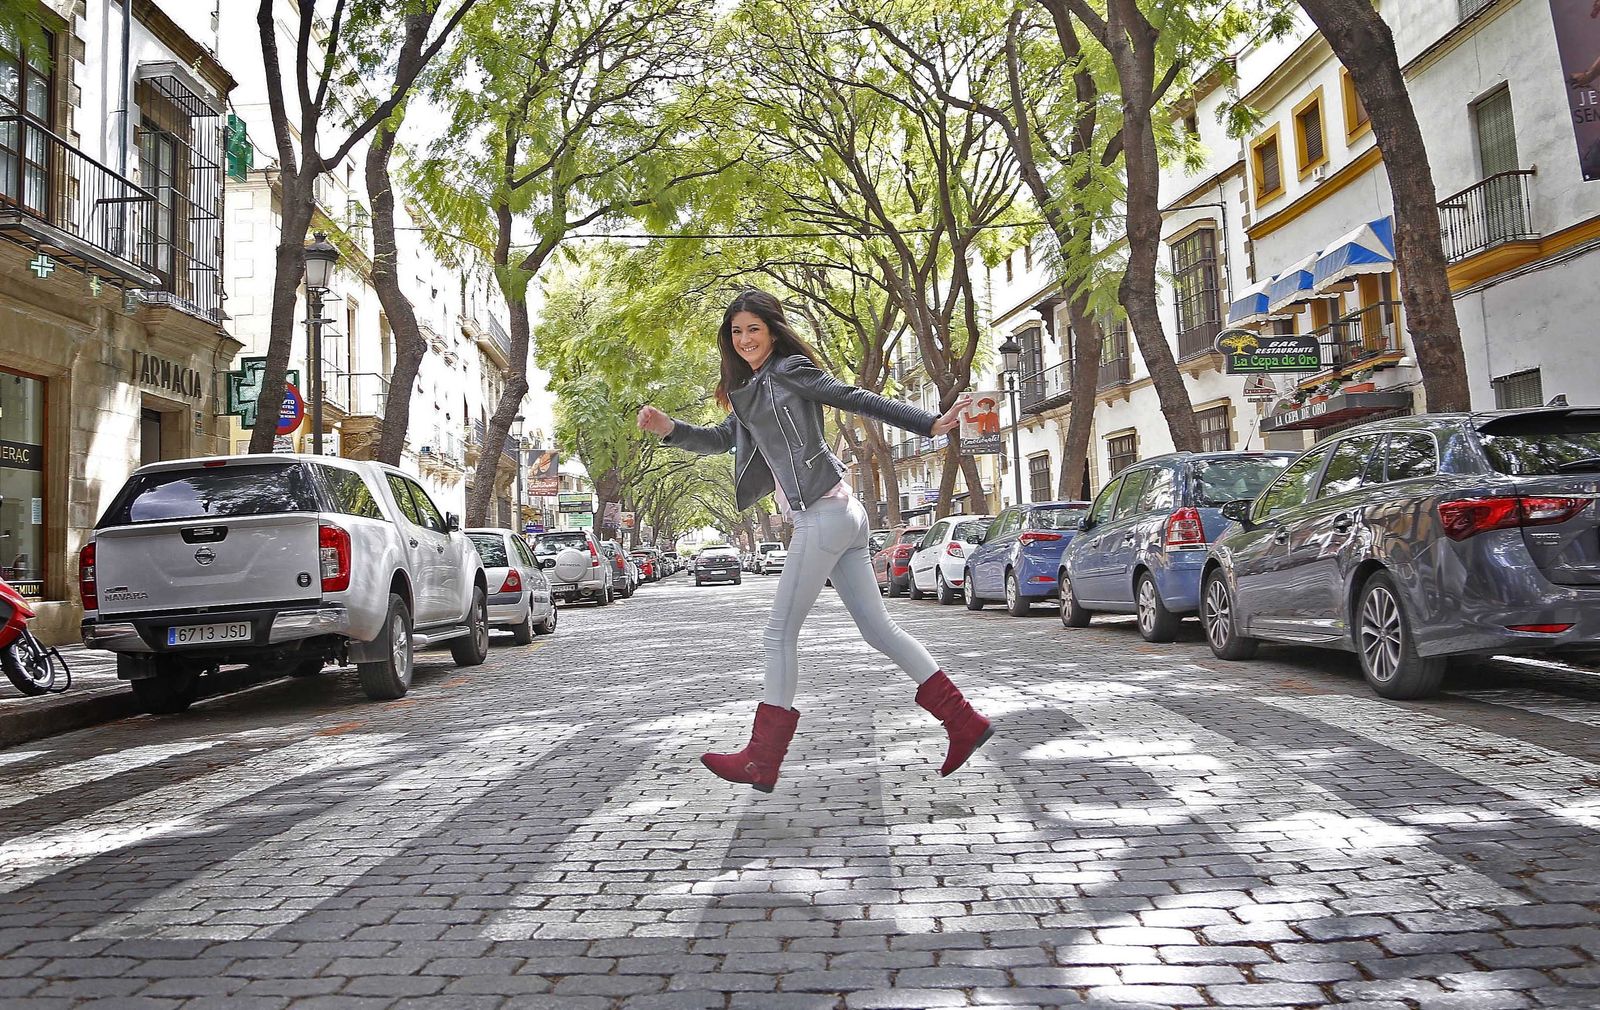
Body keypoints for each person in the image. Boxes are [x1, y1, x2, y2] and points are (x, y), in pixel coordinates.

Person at [637, 289, 993, 792]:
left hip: (824, 516)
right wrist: (669, 428)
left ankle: (762, 758)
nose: (744, 340)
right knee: (880, 631)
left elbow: (852, 396)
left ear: (772, 330)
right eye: (736, 332)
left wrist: (928, 423)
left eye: (753, 330)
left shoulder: (787, 371)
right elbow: (722, 440)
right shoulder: (754, 389)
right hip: (845, 512)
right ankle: (964, 721)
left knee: (778, 636)